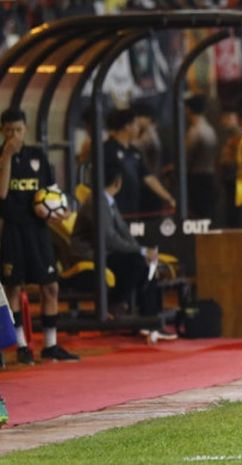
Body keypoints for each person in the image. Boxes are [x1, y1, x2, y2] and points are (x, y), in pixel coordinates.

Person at [0, 108, 79, 363]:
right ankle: (21, 346)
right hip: (12, 230)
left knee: (51, 287)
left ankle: (50, 344)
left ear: (26, 129)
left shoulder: (37, 156)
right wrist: (8, 157)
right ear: (2, 131)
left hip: (38, 230)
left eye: (19, 130)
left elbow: (51, 190)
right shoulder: (2, 156)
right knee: (14, 287)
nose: (14, 135)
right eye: (9, 130)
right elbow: (1, 194)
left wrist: (60, 208)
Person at [70, 162, 172, 341]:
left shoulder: (107, 201)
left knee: (144, 264)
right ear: (118, 183)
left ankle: (149, 320)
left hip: (106, 252)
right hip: (92, 255)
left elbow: (124, 232)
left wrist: (144, 252)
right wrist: (140, 251)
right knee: (135, 263)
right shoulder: (97, 202)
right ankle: (119, 306)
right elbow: (109, 238)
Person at [104, 109, 176, 216]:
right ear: (127, 126)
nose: (138, 129)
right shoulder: (107, 149)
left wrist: (168, 198)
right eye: (136, 125)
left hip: (133, 209)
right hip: (112, 210)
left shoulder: (134, 152)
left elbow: (148, 177)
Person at [185, 94, 219, 220]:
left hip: (197, 177)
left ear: (188, 110)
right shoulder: (210, 129)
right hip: (210, 175)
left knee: (197, 217)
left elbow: (186, 158)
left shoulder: (195, 131)